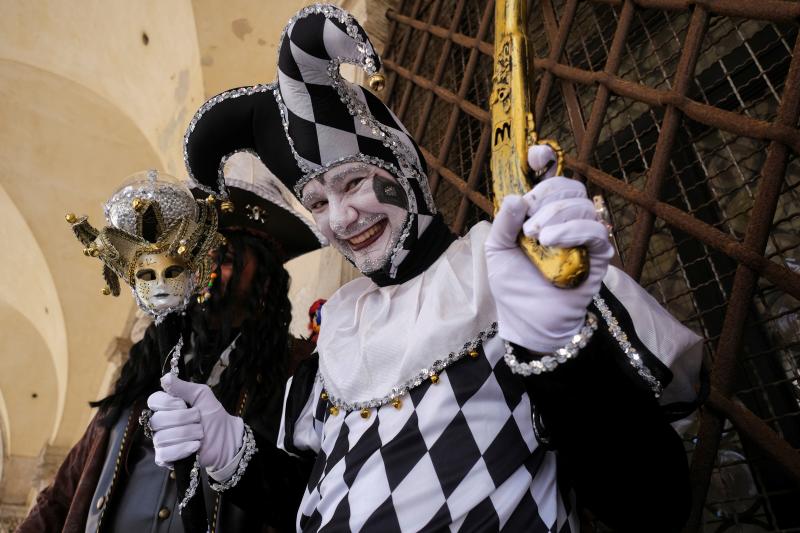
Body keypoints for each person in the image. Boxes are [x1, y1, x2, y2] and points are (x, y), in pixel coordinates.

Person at [148, 5, 705, 532]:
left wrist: (561, 353)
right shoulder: (339, 336)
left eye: (354, 181)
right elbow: (329, 498)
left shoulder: (504, 270)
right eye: (317, 203)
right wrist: (230, 455)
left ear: (403, 166)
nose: (341, 218)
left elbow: (652, 506)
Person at [17, 159, 323, 532]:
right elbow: (63, 495)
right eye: (194, 258)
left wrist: (238, 455)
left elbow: (313, 494)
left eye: (224, 257)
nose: (205, 270)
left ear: (266, 279)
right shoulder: (145, 369)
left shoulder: (297, 369)